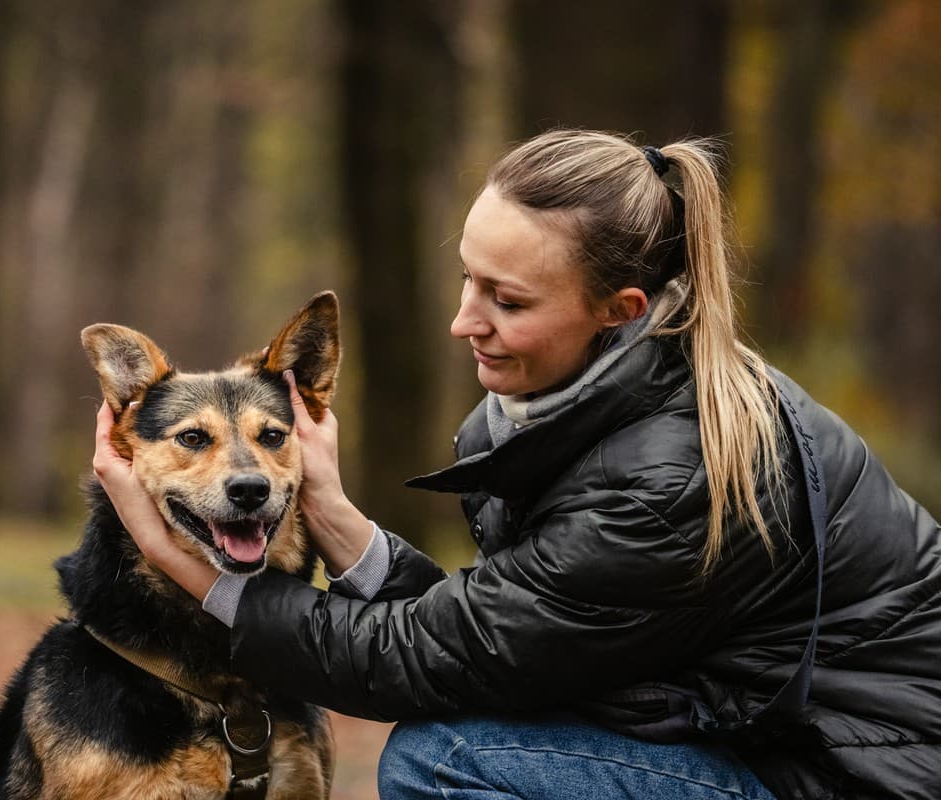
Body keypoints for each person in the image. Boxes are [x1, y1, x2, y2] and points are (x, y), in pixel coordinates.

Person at [92, 129, 941, 799]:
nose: (465, 322)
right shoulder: (575, 407)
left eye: (507, 299)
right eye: (469, 279)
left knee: (448, 760)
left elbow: (431, 660)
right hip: (765, 740)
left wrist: (182, 562)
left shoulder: (669, 476)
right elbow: (501, 636)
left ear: (619, 312)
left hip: (854, 775)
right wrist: (331, 510)